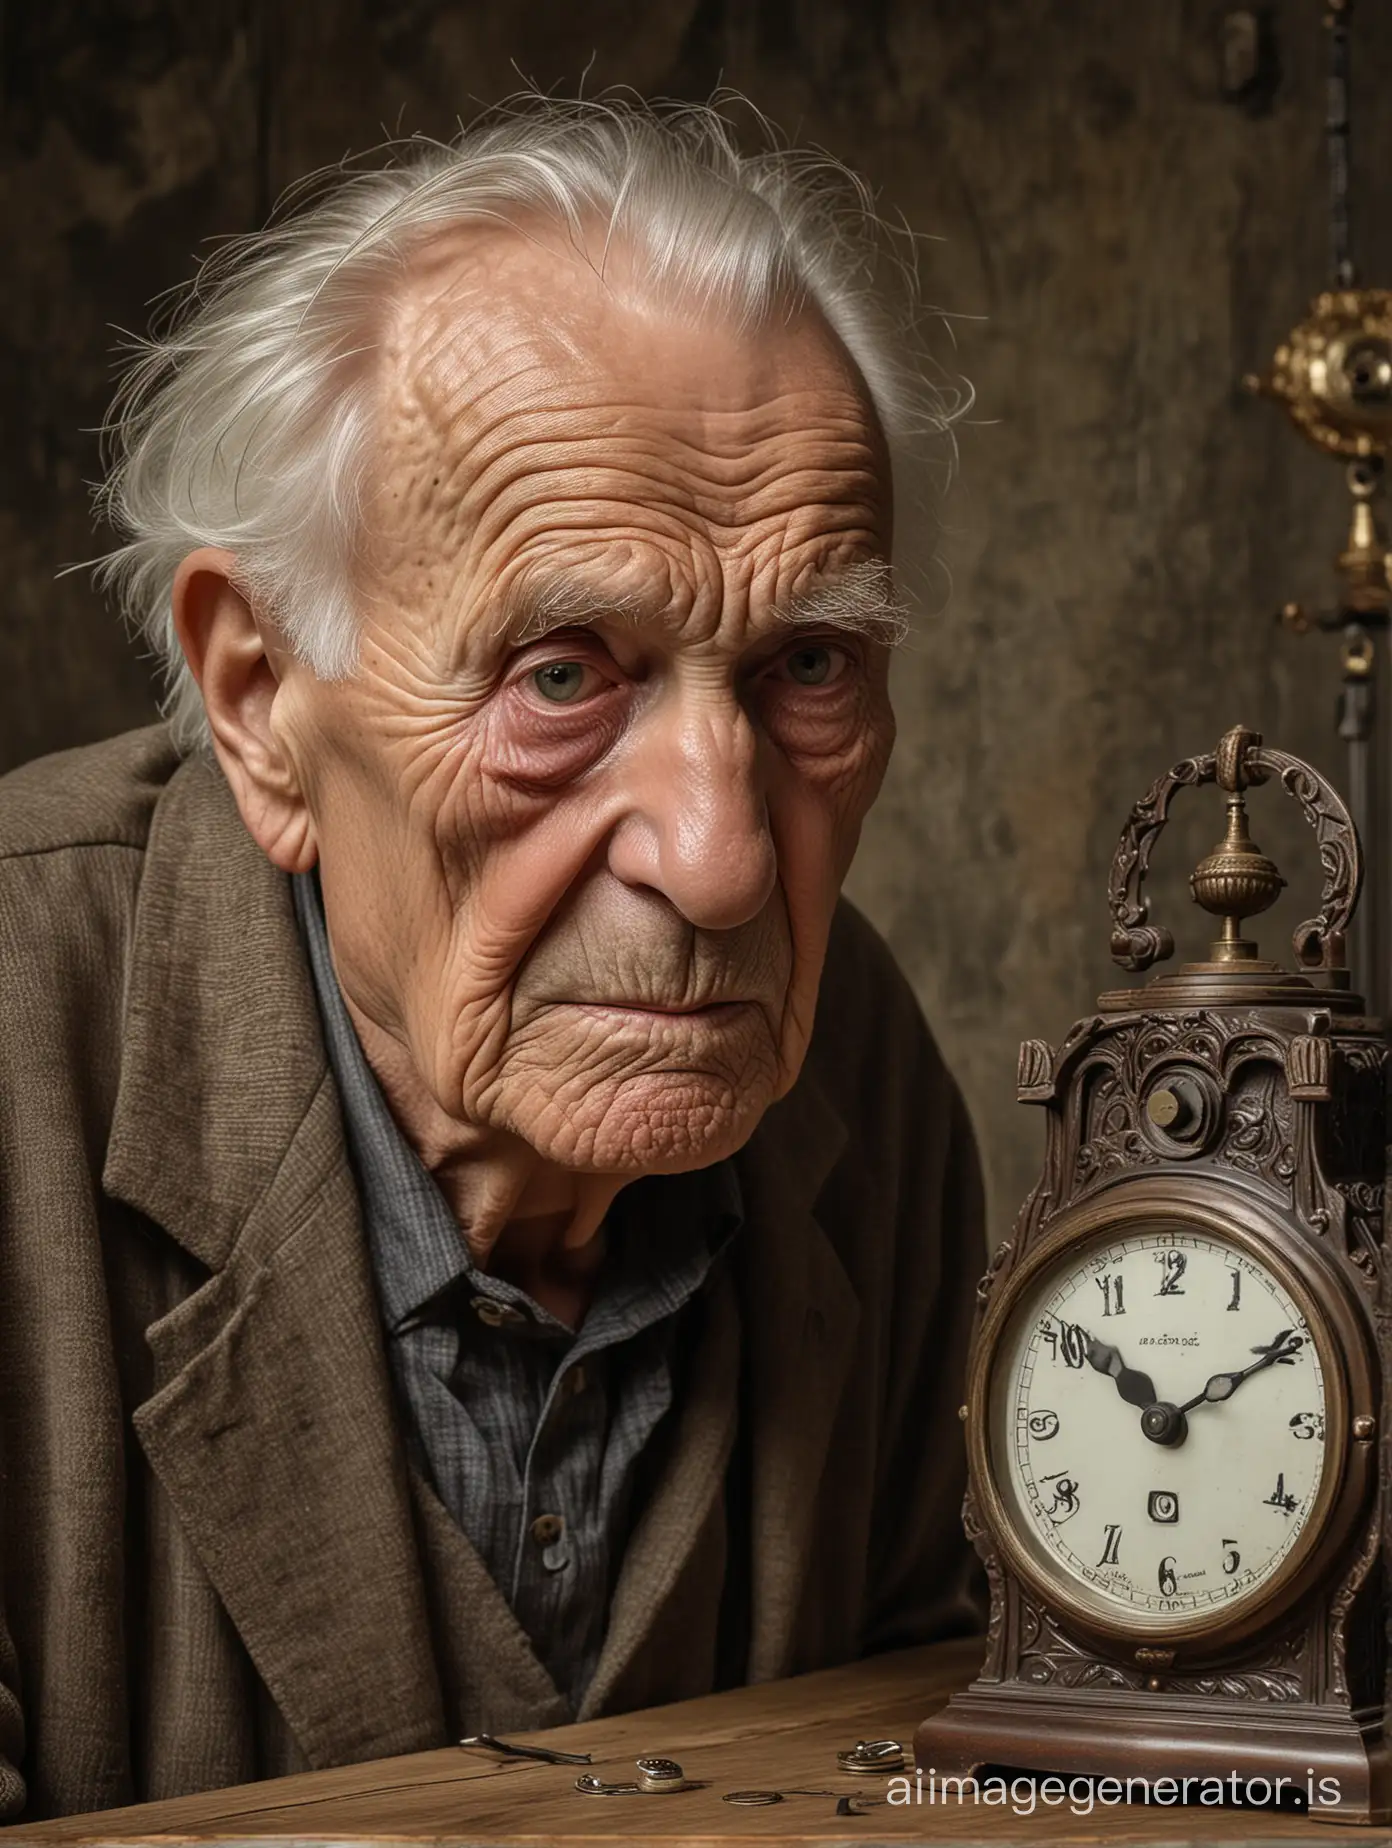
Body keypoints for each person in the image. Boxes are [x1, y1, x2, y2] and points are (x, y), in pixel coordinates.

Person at [0, 95, 984, 1823]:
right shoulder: (18, 1026)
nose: (726, 859)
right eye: (561, 676)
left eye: (811, 666)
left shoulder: (862, 1079)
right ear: (260, 707)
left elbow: (962, 1768)